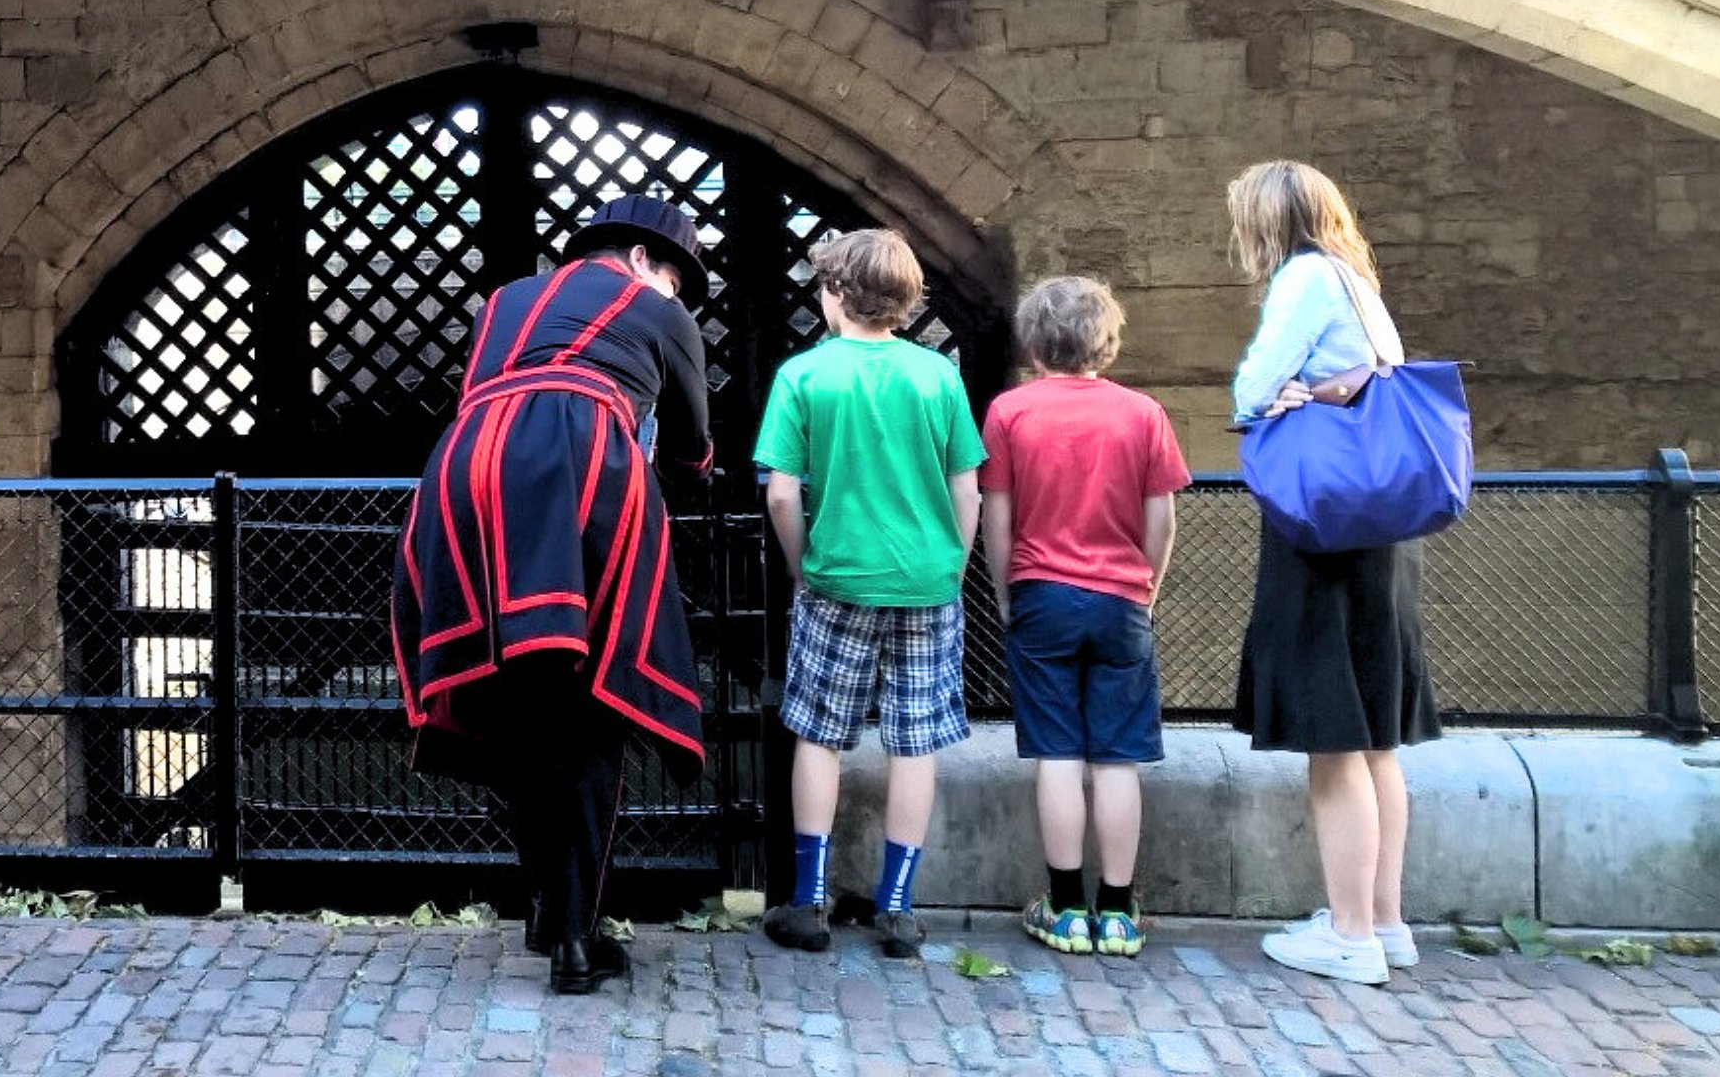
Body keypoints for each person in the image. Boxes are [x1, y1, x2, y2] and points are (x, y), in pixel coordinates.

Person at [390, 194, 714, 995]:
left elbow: (494, 389)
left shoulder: (500, 303)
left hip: (463, 473)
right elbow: (694, 446)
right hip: (580, 462)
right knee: (590, 701)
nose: (675, 291)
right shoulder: (654, 307)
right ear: (642, 259)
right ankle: (576, 933)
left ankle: (546, 906)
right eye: (677, 275)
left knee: (518, 702)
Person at [1226, 160, 1440, 987]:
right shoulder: (1356, 280)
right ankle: (1384, 922)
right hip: (1382, 533)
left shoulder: (1305, 278)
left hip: (1327, 532)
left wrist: (1278, 395)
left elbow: (1250, 388)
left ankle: (1348, 933)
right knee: (1377, 735)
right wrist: (1307, 392)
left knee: (1334, 733)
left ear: (1269, 221)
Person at [753, 229, 985, 959]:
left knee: (820, 733)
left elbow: (783, 496)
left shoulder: (804, 376)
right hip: (927, 579)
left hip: (837, 576)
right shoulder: (937, 376)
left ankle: (810, 899)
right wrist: (951, 563)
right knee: (913, 742)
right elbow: (967, 487)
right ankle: (898, 907)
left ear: (836, 294)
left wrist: (801, 565)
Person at [981, 276, 1189, 961]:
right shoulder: (1144, 414)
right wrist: (1145, 586)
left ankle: (1067, 906)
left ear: (1034, 345)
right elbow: (1161, 516)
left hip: (1042, 592)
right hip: (1121, 596)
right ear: (1107, 340)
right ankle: (1120, 911)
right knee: (1119, 756)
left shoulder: (1011, 413)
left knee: (1059, 754)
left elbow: (998, 514)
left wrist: (1008, 590)